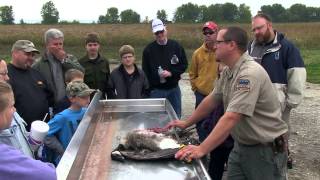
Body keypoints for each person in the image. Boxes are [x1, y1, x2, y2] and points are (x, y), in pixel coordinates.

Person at [168, 27, 288, 180]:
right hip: (241, 146)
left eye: (218, 42)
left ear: (231, 45)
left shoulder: (249, 74)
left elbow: (231, 117)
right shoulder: (228, 71)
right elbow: (212, 100)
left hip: (263, 151)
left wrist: (202, 149)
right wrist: (186, 123)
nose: (214, 45)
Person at [248, 13, 307, 168]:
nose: (256, 32)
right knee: (257, 136)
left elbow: (297, 75)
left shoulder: (287, 48)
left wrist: (289, 103)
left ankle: (281, 164)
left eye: (259, 28)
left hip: (278, 107)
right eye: (254, 29)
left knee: (279, 138)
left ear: (269, 25)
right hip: (253, 104)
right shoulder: (250, 48)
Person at [0, 81, 56, 180]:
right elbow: (48, 174)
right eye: (11, 106)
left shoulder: (14, 117)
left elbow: (21, 137)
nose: (15, 110)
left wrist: (32, 138)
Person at [142, 18, 188, 118]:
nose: (159, 34)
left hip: (174, 89)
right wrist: (150, 89)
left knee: (175, 116)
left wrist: (171, 73)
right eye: (156, 33)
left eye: (161, 31)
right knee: (154, 118)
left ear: (165, 29)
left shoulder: (176, 46)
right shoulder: (148, 50)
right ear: (153, 33)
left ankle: (174, 133)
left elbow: (184, 65)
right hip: (156, 91)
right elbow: (145, 72)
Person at [33, 28, 84, 111]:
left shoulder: (70, 58)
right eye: (55, 44)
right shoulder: (38, 65)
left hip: (70, 104)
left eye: (61, 44)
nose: (59, 47)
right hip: (51, 107)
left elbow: (81, 72)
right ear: (47, 45)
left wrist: (64, 60)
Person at [45, 81, 94, 165]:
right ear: (72, 98)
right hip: (68, 160)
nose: (88, 100)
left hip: (83, 154)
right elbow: (45, 134)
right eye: (83, 97)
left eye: (89, 96)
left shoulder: (87, 111)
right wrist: (62, 150)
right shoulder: (62, 117)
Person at [8, 40, 53, 130]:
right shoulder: (6, 75)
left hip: (43, 130)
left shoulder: (37, 74)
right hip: (19, 132)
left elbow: (50, 97)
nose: (31, 58)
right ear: (15, 53)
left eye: (33, 55)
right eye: (27, 54)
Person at [189, 21, 219, 142]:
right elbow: (192, 73)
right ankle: (203, 145)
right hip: (201, 94)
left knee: (217, 122)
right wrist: (195, 88)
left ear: (217, 33)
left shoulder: (221, 51)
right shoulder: (197, 53)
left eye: (210, 32)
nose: (207, 35)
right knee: (200, 122)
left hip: (217, 95)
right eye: (205, 33)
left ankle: (215, 146)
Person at [0, 59, 34, 158]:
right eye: (3, 74)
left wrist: (32, 139)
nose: (7, 78)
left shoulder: (8, 105)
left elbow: (19, 135)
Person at [79, 32, 112, 98]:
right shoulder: (80, 63)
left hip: (101, 100)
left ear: (99, 46)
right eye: (90, 45)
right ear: (86, 46)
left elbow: (108, 85)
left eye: (95, 45)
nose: (93, 47)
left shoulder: (105, 62)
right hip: (86, 101)